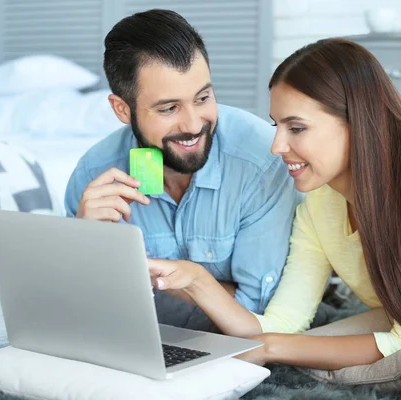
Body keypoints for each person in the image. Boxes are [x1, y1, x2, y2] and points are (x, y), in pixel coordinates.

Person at [148, 38, 401, 369]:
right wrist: (196, 280)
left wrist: (270, 349)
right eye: (276, 126)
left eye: (296, 128)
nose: (277, 146)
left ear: (356, 122)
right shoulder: (319, 203)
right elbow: (283, 321)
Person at [64, 9, 302, 331]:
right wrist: (84, 246)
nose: (193, 124)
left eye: (203, 97)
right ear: (123, 109)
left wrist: (140, 280)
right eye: (169, 108)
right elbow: (87, 306)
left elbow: (255, 311)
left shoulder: (260, 163)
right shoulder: (92, 176)